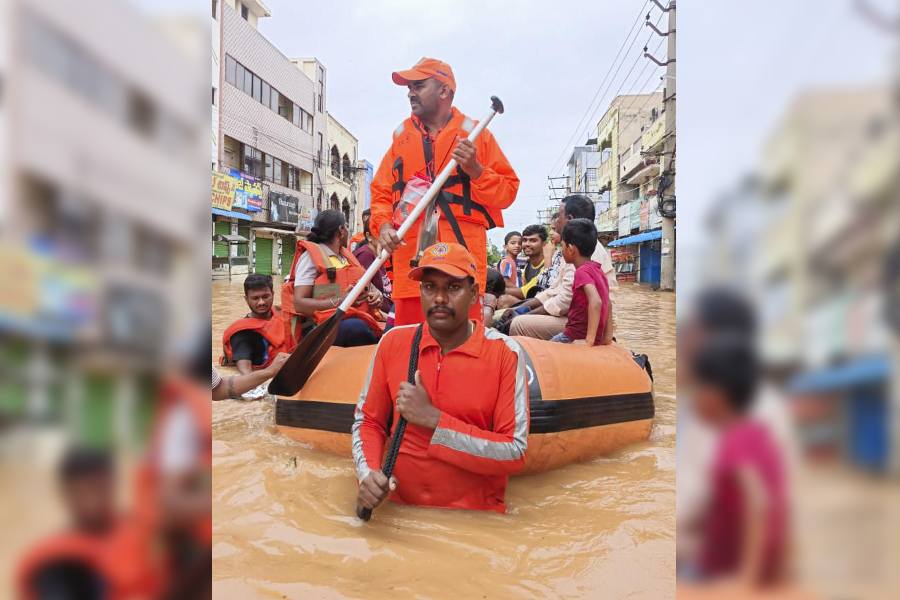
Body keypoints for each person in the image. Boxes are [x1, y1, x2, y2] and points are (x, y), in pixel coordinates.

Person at [352, 242, 529, 514]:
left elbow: (515, 452)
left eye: (453, 287)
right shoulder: (393, 342)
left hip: (473, 523)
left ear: (473, 293)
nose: (439, 298)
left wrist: (435, 421)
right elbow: (368, 422)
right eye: (430, 287)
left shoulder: (505, 353)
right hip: (396, 514)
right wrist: (368, 474)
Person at [371, 57, 520, 326]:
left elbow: (508, 191)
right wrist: (382, 226)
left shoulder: (478, 135)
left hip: (461, 263)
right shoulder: (401, 139)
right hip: (412, 266)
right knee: (411, 344)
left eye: (418, 85)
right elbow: (381, 192)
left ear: (444, 91)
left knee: (463, 346)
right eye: (409, 87)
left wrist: (476, 170)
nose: (410, 92)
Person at [690, 335, 787, 586]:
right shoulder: (758, 433)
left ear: (717, 394)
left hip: (725, 569)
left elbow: (759, 503)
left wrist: (746, 580)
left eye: (699, 387)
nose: (694, 397)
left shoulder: (733, 441)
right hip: (755, 560)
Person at [17, 448, 160, 599]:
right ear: (65, 494)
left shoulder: (144, 530)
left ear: (113, 484)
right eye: (81, 493)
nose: (91, 503)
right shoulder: (58, 562)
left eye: (98, 489)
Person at [508, 195, 617, 342]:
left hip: (583, 325)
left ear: (570, 219)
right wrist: (522, 308)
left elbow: (569, 299)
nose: (556, 221)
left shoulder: (583, 260)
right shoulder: (583, 253)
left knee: (518, 324)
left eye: (559, 215)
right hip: (585, 321)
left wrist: (590, 341)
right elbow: (554, 290)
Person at [282, 209, 384, 348]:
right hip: (323, 327)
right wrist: (341, 301)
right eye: (346, 227)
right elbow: (299, 303)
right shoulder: (310, 258)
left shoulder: (348, 257)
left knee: (388, 328)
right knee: (356, 328)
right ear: (341, 230)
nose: (348, 232)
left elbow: (369, 288)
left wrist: (376, 296)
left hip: (355, 319)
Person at [549, 219, 610, 346]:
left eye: (562, 245)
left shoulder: (581, 272)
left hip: (573, 335)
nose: (561, 250)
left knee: (546, 349)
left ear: (570, 249)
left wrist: (589, 341)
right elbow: (608, 303)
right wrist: (607, 337)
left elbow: (596, 301)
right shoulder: (598, 270)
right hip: (593, 336)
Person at [220, 274, 293, 374]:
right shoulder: (242, 332)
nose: (261, 302)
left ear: (273, 294)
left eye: (265, 296)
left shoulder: (283, 314)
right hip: (268, 376)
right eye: (255, 298)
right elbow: (246, 373)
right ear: (246, 299)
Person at [352, 208, 393, 315]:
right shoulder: (365, 255)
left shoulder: (379, 255)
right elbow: (367, 296)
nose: (386, 236)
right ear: (368, 236)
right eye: (380, 232)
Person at [497, 224, 547, 309]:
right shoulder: (528, 265)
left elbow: (523, 292)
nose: (527, 244)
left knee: (504, 300)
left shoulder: (547, 264)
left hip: (541, 306)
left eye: (533, 241)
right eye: (524, 240)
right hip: (529, 302)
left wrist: (495, 290)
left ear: (544, 244)